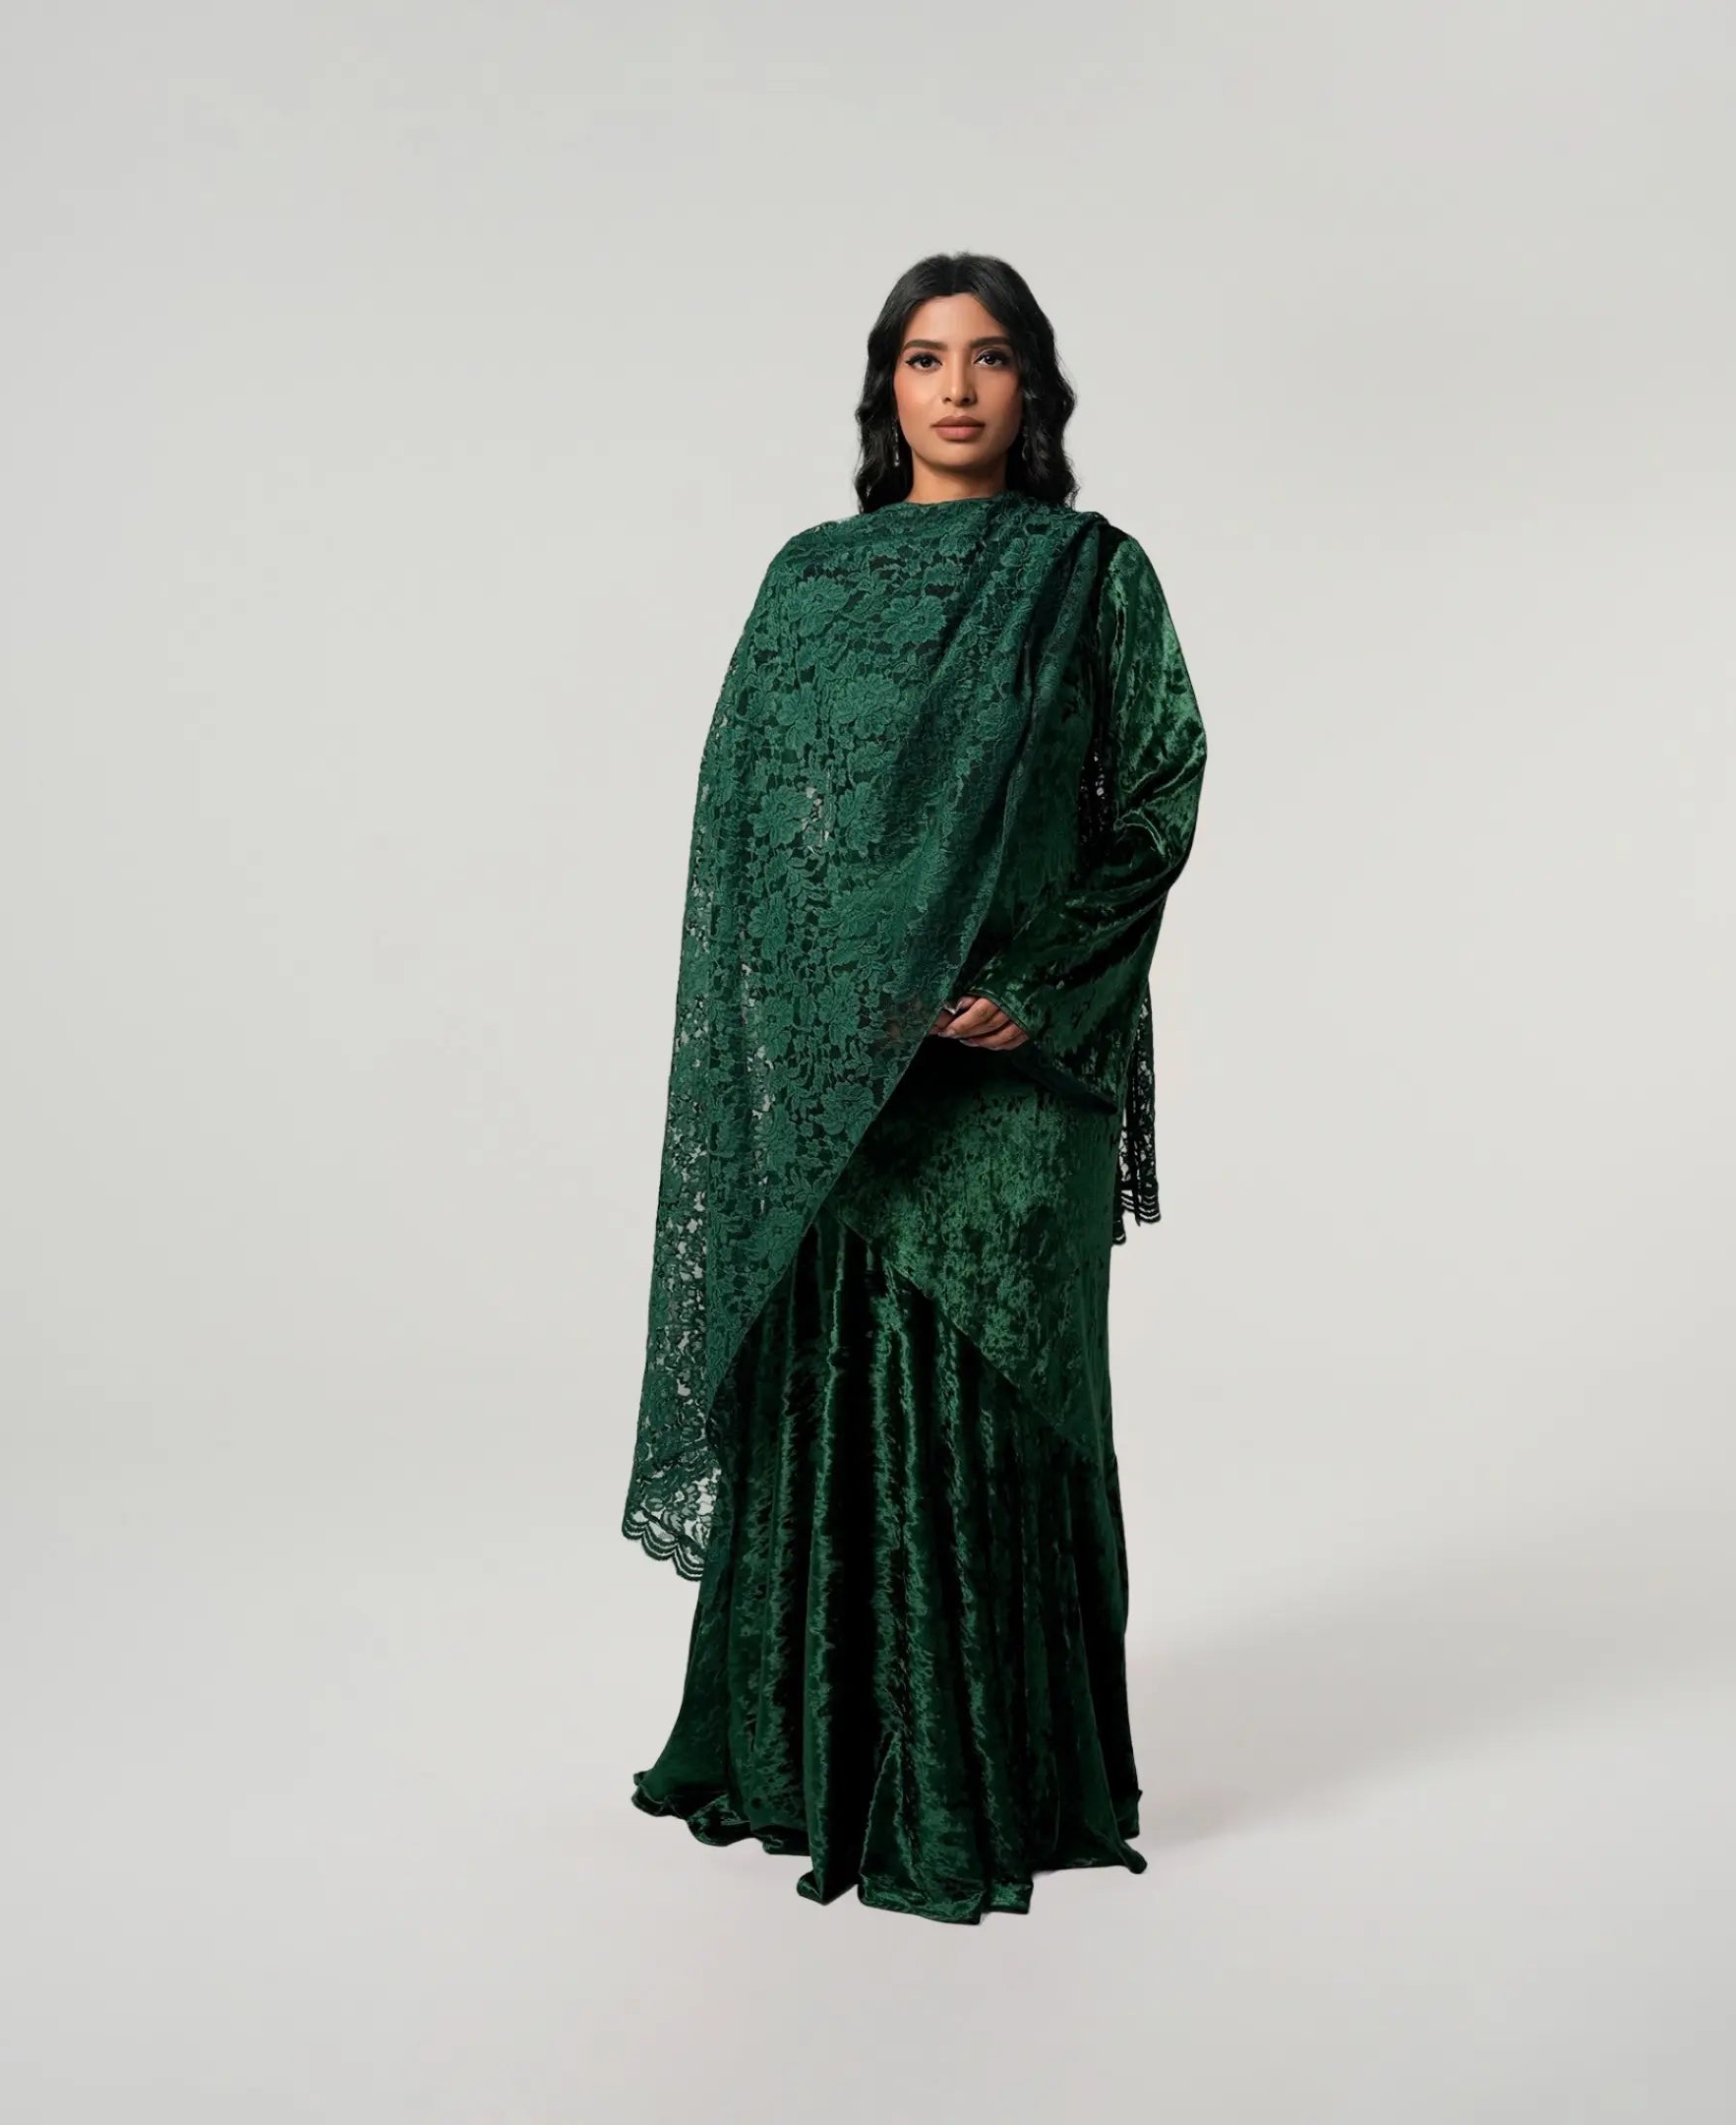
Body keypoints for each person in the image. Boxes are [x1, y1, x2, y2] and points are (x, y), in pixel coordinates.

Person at [623, 252, 1209, 1923]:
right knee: (833, 1417)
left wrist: (1039, 988)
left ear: (1036, 389)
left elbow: (1157, 795)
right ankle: (814, 1765)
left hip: (1011, 1080)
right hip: (843, 1087)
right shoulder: (811, 581)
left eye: (992, 357)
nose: (958, 388)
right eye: (925, 358)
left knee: (1001, 1421)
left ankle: (997, 1784)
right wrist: (833, 1011)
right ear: (886, 387)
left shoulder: (1091, 576)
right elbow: (752, 828)